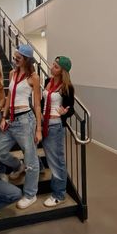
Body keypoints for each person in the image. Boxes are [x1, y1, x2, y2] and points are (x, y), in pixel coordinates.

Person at [0, 44, 42, 209]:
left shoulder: (34, 77)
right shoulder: (12, 73)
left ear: (26, 60)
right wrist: (4, 117)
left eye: (18, 58)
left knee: (31, 160)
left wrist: (38, 129)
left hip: (25, 121)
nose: (14, 60)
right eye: (14, 57)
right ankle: (17, 165)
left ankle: (30, 194)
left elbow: (37, 104)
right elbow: (8, 97)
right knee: (0, 150)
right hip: (12, 121)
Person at [42, 56, 74, 207]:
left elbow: (71, 109)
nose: (51, 67)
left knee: (56, 161)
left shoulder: (67, 87)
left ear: (62, 71)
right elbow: (43, 102)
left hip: (55, 125)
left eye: (55, 66)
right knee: (49, 158)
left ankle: (59, 194)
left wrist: (64, 113)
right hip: (43, 122)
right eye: (52, 65)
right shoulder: (48, 81)